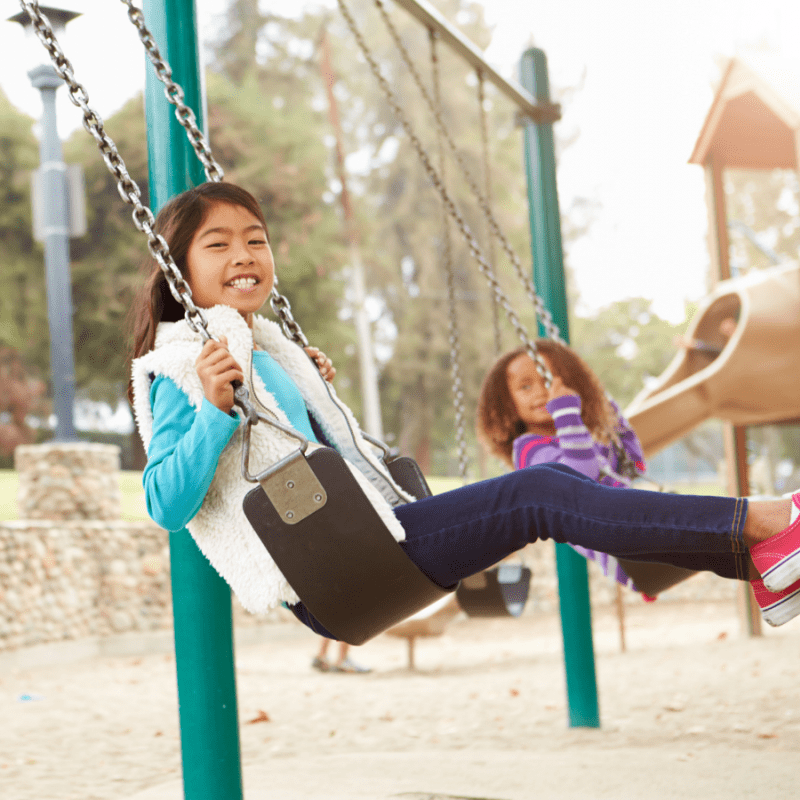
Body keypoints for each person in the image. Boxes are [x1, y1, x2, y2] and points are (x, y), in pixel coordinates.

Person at [128, 182, 800, 636]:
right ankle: (771, 520)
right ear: (177, 263)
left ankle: (766, 560)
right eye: (218, 244)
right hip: (334, 568)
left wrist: (304, 386)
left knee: (560, 486)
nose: (245, 255)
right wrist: (214, 410)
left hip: (370, 536)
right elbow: (164, 502)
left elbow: (298, 437)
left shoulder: (261, 345)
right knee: (540, 491)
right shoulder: (182, 367)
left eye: (256, 238)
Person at [476, 341, 652, 598]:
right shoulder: (527, 450)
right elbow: (578, 480)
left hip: (638, 526)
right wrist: (566, 412)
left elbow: (634, 465)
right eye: (525, 386)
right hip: (617, 547)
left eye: (549, 381)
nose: (541, 392)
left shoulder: (584, 440)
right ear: (508, 404)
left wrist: (606, 406)